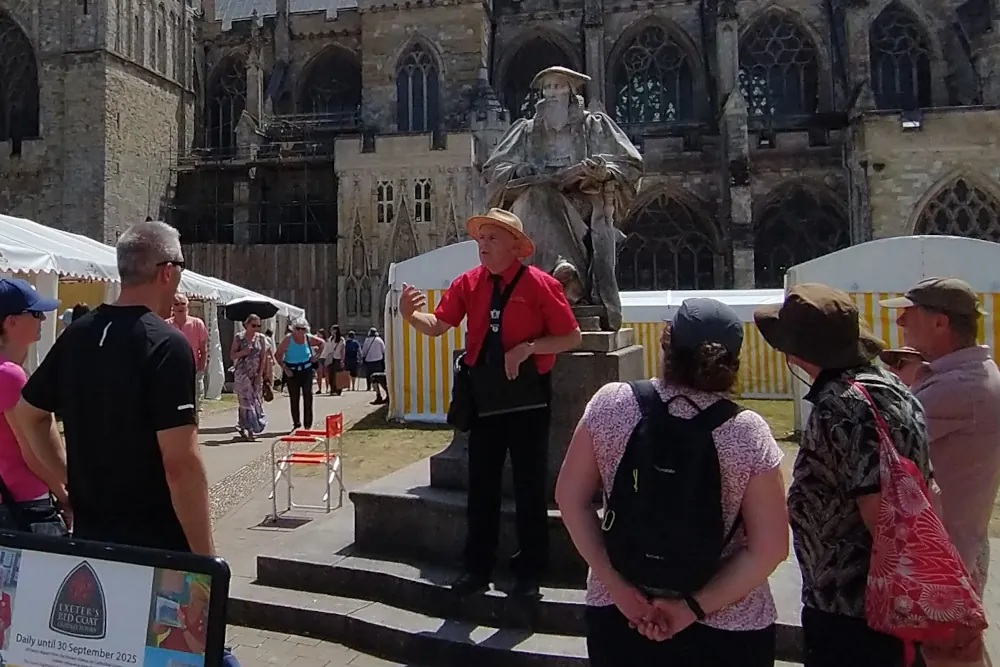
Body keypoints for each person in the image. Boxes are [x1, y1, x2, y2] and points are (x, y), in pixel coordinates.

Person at [556, 298, 788, 666]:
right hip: (726, 625)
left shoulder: (611, 403)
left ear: (667, 344)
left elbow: (570, 498)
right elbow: (770, 547)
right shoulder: (747, 432)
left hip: (621, 612)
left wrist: (616, 586)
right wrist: (690, 609)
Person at [400, 208, 582, 596]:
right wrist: (412, 316)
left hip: (528, 400)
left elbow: (570, 338)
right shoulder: (468, 283)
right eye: (481, 239)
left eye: (492, 238)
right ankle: (477, 568)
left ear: (516, 247)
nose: (483, 245)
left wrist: (528, 349)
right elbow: (439, 326)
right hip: (484, 399)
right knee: (481, 486)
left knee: (530, 489)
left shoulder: (541, 284)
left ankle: (530, 573)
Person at [754, 283, 932, 667]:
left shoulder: (843, 406)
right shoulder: (891, 387)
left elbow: (879, 508)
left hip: (855, 609)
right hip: (875, 605)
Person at [13, 221, 214, 556]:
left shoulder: (78, 334)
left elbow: (27, 412)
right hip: (154, 544)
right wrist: (207, 559)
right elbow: (181, 464)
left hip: (93, 537)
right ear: (167, 272)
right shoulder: (166, 345)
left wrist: (68, 479)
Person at [881, 277, 1000, 667]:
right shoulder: (965, 376)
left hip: (943, 560)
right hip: (955, 549)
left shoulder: (958, 387)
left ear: (940, 323)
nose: (900, 322)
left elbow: (881, 438)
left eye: (910, 314)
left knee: (949, 657)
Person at [481, 66, 643, 330]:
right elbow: (492, 170)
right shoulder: (525, 131)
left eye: (558, 87)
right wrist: (519, 169)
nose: (552, 93)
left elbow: (631, 163)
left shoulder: (595, 126)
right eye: (547, 88)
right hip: (533, 199)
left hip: (584, 205)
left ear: (571, 91)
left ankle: (558, 277)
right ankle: (561, 277)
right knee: (537, 195)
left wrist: (603, 172)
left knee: (541, 197)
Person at [0, 279, 70, 531]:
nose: (43, 319)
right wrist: (64, 495)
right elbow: (31, 451)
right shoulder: (10, 375)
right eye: (36, 313)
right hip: (25, 500)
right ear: (11, 322)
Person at [276, 318, 324, 430]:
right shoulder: (288, 340)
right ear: (293, 329)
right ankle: (296, 423)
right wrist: (285, 368)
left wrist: (316, 357)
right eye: (298, 329)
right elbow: (277, 355)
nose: (300, 331)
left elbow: (322, 343)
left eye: (303, 329)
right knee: (294, 397)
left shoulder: (308, 338)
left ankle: (308, 424)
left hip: (306, 370)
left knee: (308, 396)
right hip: (292, 372)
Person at [230, 314, 269, 441]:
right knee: (246, 401)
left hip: (255, 373)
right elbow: (232, 355)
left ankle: (243, 425)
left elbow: (263, 357)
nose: (256, 328)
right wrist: (243, 352)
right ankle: (250, 430)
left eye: (258, 326)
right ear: (246, 325)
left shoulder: (261, 338)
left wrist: (261, 374)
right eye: (253, 325)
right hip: (242, 373)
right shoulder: (239, 337)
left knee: (256, 401)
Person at [168, 294, 209, 411]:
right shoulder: (167, 325)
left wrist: (201, 371)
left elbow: (204, 349)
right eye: (177, 304)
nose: (180, 306)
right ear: (172, 307)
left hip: (193, 370)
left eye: (183, 303)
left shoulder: (197, 323)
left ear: (187, 306)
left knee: (195, 404)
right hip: (172, 371)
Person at [322, 326, 346, 396]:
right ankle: (332, 390)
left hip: (337, 359)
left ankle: (338, 390)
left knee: (337, 375)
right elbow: (327, 348)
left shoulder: (341, 339)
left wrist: (342, 360)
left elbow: (342, 350)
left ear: (336, 330)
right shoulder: (330, 338)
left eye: (332, 330)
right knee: (331, 375)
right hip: (330, 358)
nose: (331, 331)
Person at [360, 328, 386, 392]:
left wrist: (362, 357)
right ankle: (377, 387)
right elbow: (383, 350)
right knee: (377, 375)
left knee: (369, 375)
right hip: (378, 360)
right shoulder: (379, 340)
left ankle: (369, 387)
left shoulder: (367, 340)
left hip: (369, 360)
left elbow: (364, 350)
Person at [315, 328, 328, 394]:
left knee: (326, 374)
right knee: (319, 374)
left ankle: (327, 388)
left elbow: (323, 350)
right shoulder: (316, 342)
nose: (317, 335)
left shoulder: (325, 342)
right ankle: (319, 389)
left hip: (324, 358)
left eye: (319, 334)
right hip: (319, 359)